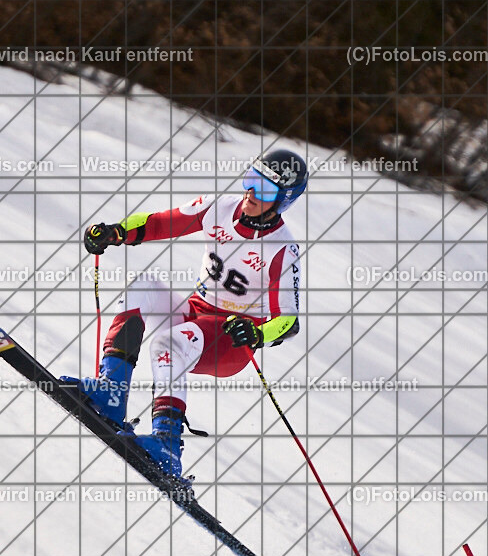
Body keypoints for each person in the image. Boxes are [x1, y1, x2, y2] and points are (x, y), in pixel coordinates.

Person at [62, 149, 307, 477]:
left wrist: (259, 334)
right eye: (251, 179)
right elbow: (160, 222)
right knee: (143, 286)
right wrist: (116, 232)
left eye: (264, 189)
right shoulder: (219, 208)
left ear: (283, 200)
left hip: (231, 340)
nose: (250, 192)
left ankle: (167, 443)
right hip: (195, 314)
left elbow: (288, 321)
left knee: (167, 344)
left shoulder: (282, 249)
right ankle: (111, 391)